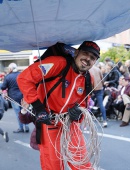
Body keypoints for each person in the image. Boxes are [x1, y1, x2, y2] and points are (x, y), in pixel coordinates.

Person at [17, 41, 100, 170]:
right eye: (85, 53)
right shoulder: (58, 63)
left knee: (82, 164)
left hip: (70, 124)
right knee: (53, 165)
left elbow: (84, 105)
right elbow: (24, 78)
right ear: (76, 52)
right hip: (49, 122)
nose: (88, 59)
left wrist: (78, 115)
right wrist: (39, 108)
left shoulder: (88, 79)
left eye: (93, 58)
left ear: (94, 62)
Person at [1, 63, 29, 133]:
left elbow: (3, 87)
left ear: (10, 69)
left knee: (18, 113)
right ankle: (26, 126)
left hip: (14, 97)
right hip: (23, 96)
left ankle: (21, 128)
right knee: (24, 111)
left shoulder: (8, 77)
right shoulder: (21, 74)